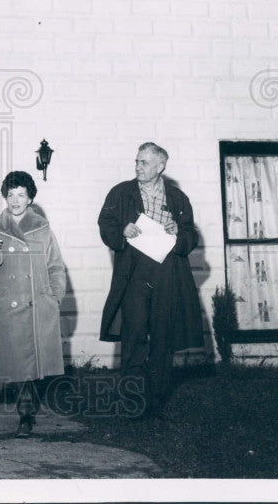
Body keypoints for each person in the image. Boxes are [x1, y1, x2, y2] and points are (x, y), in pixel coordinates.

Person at [98, 142, 204, 419]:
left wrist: (178, 231)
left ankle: (156, 399)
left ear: (161, 166)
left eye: (144, 163)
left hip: (167, 272)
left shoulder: (178, 198)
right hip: (134, 272)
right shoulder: (120, 193)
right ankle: (132, 400)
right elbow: (105, 224)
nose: (138, 167)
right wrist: (121, 230)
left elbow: (191, 235)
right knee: (133, 336)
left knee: (162, 335)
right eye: (137, 161)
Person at [0, 171, 68, 437]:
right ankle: (24, 414)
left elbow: (56, 267)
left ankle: (28, 410)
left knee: (35, 366)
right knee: (19, 364)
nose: (15, 200)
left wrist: (54, 297)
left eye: (20, 194)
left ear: (30, 198)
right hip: (10, 305)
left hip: (39, 304)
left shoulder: (43, 228)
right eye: (10, 194)